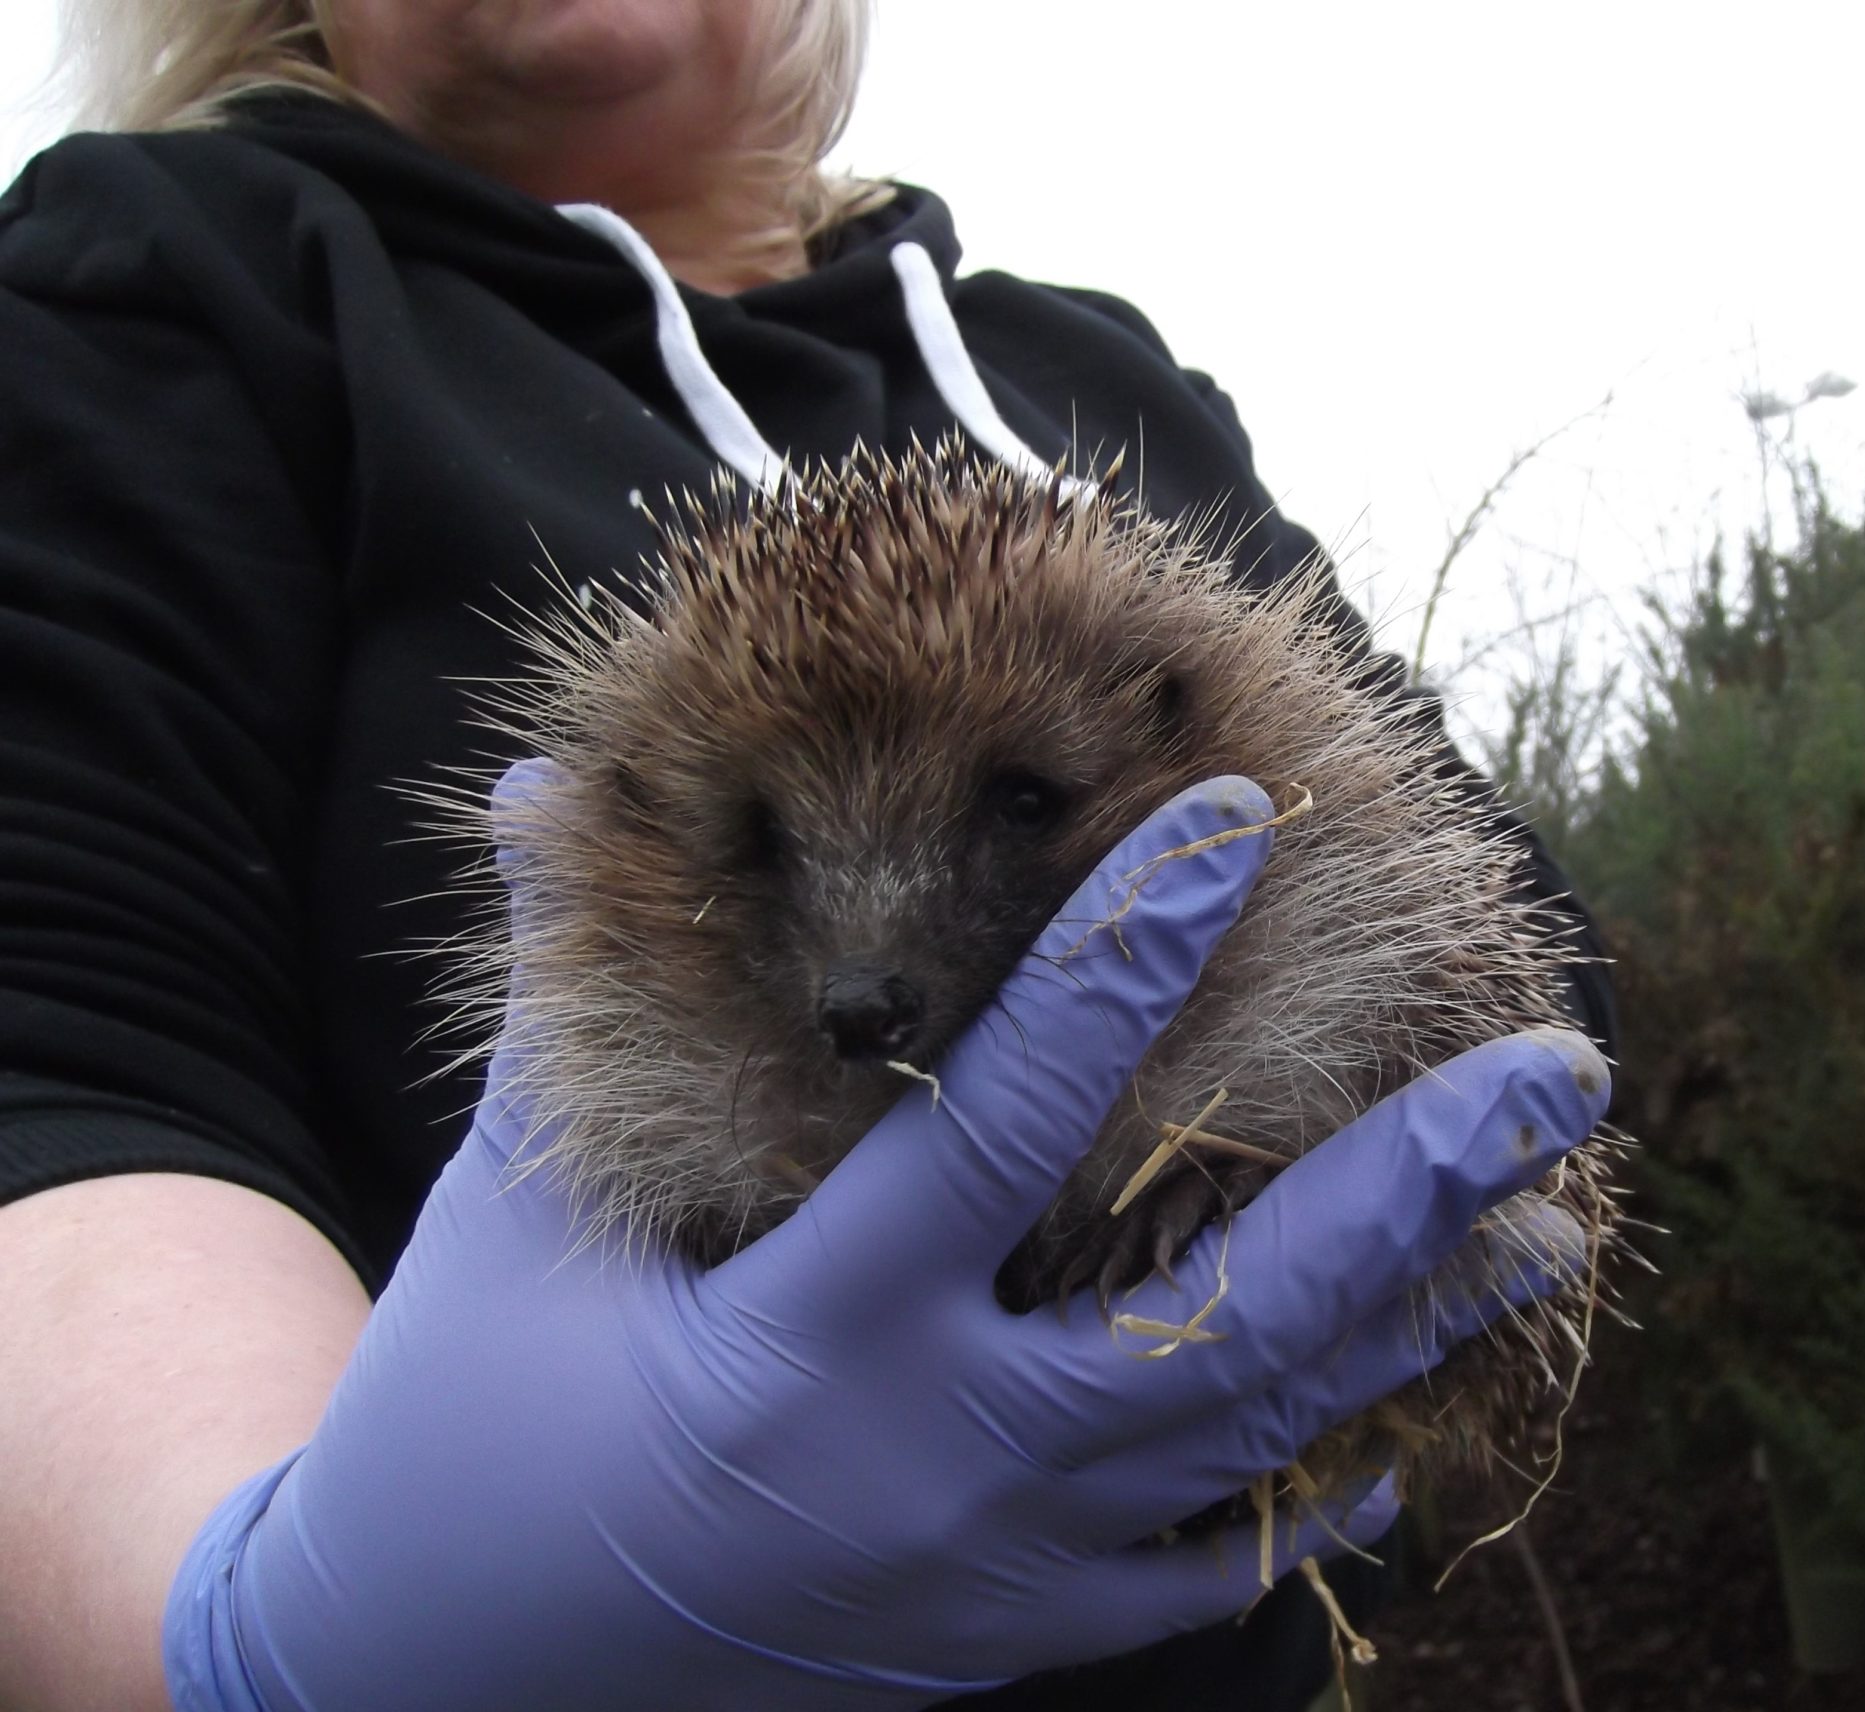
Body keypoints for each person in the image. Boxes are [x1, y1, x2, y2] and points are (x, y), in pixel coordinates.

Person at [0, 3, 1620, 1710]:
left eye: (1017, 804)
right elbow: (52, 1047)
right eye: (766, 845)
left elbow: (1504, 945)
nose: (869, 967)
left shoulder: (1102, 379)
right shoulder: (142, 291)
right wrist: (273, 1645)